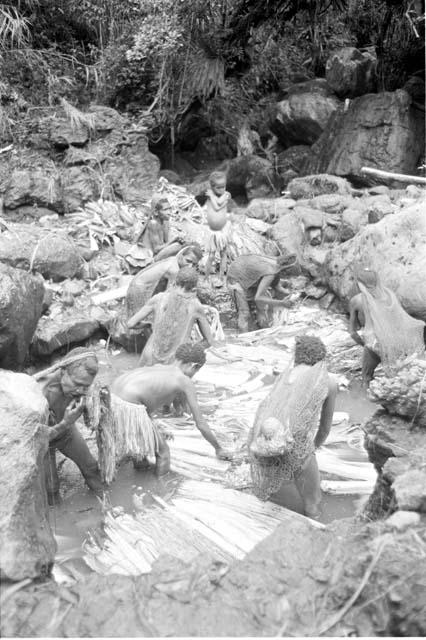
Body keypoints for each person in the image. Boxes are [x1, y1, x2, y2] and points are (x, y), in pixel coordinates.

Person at [248, 335, 338, 519]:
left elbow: (269, 407)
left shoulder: (285, 375)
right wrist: (310, 450)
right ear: (320, 359)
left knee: (267, 498)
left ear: (297, 355)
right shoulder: (328, 382)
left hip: (264, 442)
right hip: (296, 445)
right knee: (312, 504)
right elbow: (325, 429)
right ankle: (313, 540)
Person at [111, 343, 231, 470]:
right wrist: (218, 448)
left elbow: (146, 397)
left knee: (142, 447)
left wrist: (152, 426)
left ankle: (141, 470)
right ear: (193, 366)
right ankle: (160, 488)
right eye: (196, 371)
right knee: (163, 453)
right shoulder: (184, 381)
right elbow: (200, 423)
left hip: (111, 397)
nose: (193, 375)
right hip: (129, 405)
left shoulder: (159, 367)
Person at [34, 348, 105, 505]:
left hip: (66, 432)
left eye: (86, 386)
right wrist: (66, 422)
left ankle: (107, 508)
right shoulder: (38, 393)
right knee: (51, 489)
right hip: (43, 443)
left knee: (92, 469)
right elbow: (36, 440)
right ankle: (61, 523)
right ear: (63, 371)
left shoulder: (77, 388)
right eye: (78, 384)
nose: (81, 390)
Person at [348, 267, 426, 386]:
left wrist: (365, 345)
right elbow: (400, 321)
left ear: (359, 283)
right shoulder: (389, 295)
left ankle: (364, 402)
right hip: (393, 342)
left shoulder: (356, 300)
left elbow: (352, 333)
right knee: (397, 378)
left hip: (373, 344)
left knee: (366, 378)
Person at [128, 266, 215, 366]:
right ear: (194, 289)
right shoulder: (196, 306)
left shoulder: (158, 298)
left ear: (174, 283)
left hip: (149, 358)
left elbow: (130, 324)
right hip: (174, 362)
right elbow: (209, 341)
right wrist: (190, 349)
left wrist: (148, 325)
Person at [126, 243, 203, 319]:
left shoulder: (173, 259)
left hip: (136, 283)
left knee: (135, 316)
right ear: (181, 255)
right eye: (188, 261)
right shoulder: (174, 270)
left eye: (193, 264)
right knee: (137, 319)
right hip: (138, 289)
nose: (190, 266)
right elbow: (169, 294)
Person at [227, 252, 296, 332]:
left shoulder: (276, 265)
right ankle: (244, 339)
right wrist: (282, 303)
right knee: (245, 313)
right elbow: (258, 298)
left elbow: (277, 286)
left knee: (262, 308)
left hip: (251, 279)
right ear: (285, 270)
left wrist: (291, 294)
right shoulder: (271, 271)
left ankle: (265, 332)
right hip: (235, 280)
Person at [204, 171, 233, 281]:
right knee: (211, 256)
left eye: (223, 187)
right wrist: (211, 196)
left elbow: (217, 206)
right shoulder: (211, 197)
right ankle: (206, 278)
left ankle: (221, 277)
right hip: (213, 231)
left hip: (222, 230)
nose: (222, 190)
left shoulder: (225, 196)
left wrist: (212, 195)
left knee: (223, 254)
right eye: (218, 188)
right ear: (212, 187)